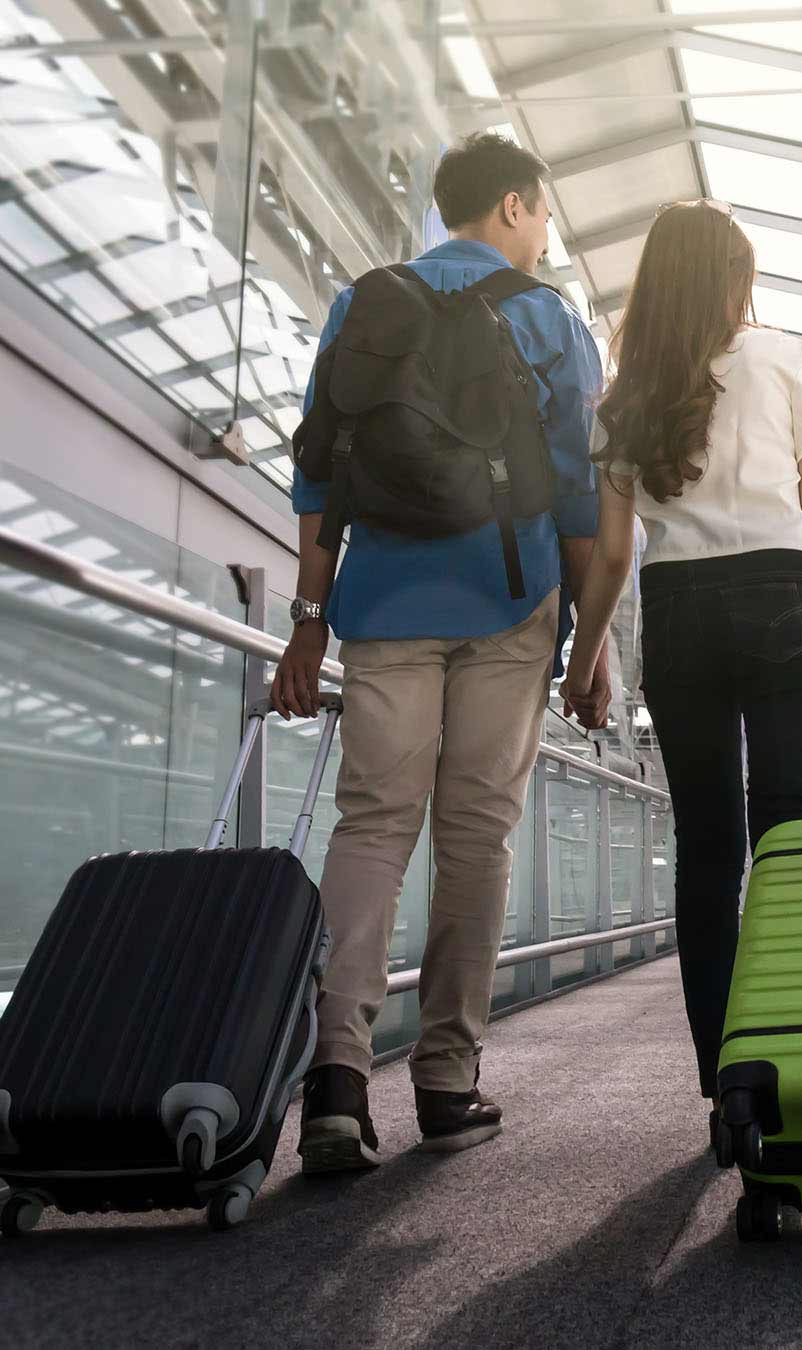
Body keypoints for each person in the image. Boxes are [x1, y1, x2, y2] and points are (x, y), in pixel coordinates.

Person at [270, 132, 607, 1168]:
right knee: (476, 835)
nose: (545, 234)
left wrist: (308, 619)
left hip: (380, 599)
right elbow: (579, 490)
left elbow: (319, 471)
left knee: (372, 826)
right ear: (511, 207)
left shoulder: (364, 301)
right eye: (542, 214)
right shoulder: (546, 317)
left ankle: (336, 1074)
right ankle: (448, 1076)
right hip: (509, 600)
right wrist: (590, 638)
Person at [558, 200, 802, 1113]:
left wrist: (585, 658)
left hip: (678, 611)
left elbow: (611, 554)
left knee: (708, 851)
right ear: (734, 280)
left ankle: (727, 1082)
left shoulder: (622, 397)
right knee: (789, 835)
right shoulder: (785, 357)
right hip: (786, 596)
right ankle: (791, 1052)